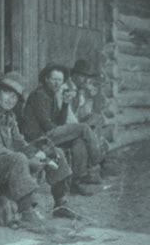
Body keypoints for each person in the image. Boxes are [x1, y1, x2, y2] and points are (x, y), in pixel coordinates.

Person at [0, 71, 77, 227]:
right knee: (19, 158)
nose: (11, 99)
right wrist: (30, 160)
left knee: (53, 150)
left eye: (15, 96)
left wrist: (40, 153)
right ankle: (26, 212)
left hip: (2, 162)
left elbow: (19, 142)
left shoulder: (9, 116)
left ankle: (61, 203)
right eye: (7, 93)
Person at [22, 64, 102, 196]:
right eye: (54, 79)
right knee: (83, 128)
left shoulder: (52, 95)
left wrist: (65, 103)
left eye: (60, 80)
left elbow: (59, 122)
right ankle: (97, 159)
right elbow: (46, 124)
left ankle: (75, 182)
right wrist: (66, 131)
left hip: (49, 135)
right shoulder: (39, 95)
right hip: (37, 138)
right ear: (46, 79)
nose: (57, 83)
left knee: (79, 141)